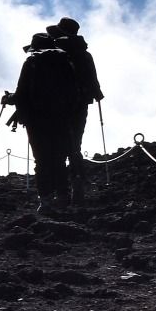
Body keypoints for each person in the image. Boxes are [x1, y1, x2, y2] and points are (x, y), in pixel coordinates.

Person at [2, 32, 79, 212]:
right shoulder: (64, 61)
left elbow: (21, 93)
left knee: (42, 159)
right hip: (61, 117)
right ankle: (63, 196)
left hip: (36, 120)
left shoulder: (32, 62)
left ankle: (45, 200)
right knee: (59, 158)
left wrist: (8, 98)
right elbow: (74, 92)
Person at [54, 17, 104, 203]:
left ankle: (62, 191)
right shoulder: (84, 54)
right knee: (75, 144)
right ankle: (78, 184)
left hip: (59, 105)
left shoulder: (57, 51)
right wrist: (96, 94)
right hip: (81, 103)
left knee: (58, 145)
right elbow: (93, 79)